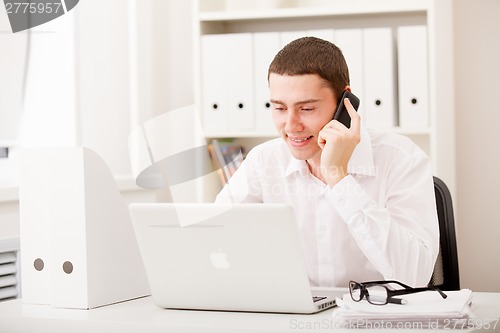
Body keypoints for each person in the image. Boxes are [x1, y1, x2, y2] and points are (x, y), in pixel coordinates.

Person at [215, 37, 439, 288]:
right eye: (279, 108)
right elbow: (212, 239)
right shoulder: (263, 161)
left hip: (377, 318)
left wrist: (339, 177)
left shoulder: (401, 159)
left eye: (307, 109)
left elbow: (415, 275)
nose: (291, 126)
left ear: (345, 103)